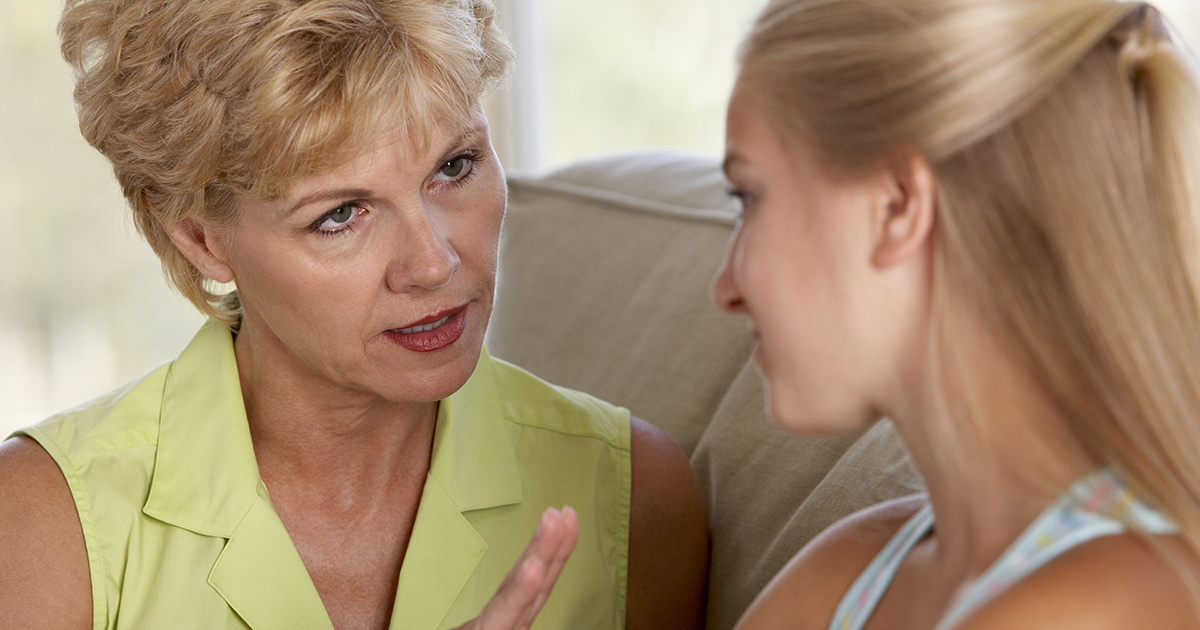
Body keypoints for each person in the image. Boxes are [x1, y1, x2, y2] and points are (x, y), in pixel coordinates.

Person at [0, 0, 710, 628]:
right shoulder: (45, 520)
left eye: (455, 167)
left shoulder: (633, 499)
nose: (433, 263)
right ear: (201, 239)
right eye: (340, 214)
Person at [712, 0, 1200, 628]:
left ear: (896, 206)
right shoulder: (852, 569)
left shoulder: (1104, 606)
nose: (724, 289)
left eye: (748, 197)